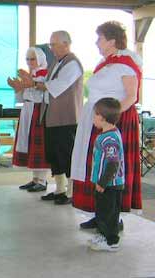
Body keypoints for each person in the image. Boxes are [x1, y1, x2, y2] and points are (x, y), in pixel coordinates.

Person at [71, 21, 142, 229]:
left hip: (112, 121)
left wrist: (109, 118)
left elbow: (131, 96)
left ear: (112, 40)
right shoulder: (105, 63)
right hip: (97, 120)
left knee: (109, 168)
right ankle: (99, 213)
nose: (96, 42)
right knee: (96, 165)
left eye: (100, 38)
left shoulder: (126, 63)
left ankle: (112, 217)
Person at [18, 31, 83, 205]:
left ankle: (71, 192)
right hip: (51, 115)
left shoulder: (72, 64)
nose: (51, 48)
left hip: (66, 117)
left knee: (66, 153)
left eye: (54, 44)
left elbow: (58, 86)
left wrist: (32, 83)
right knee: (54, 154)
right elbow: (47, 85)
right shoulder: (57, 63)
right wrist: (30, 82)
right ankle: (60, 189)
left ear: (66, 44)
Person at [7, 47, 50, 192]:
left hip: (38, 110)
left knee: (39, 146)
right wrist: (17, 88)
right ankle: (35, 178)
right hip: (27, 109)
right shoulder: (31, 75)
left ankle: (42, 180)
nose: (30, 62)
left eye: (33, 59)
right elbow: (21, 97)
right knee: (30, 144)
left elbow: (42, 95)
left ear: (40, 59)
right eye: (28, 59)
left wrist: (30, 82)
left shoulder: (44, 75)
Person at [87, 98, 124, 252]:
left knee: (108, 214)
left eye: (94, 115)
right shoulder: (108, 134)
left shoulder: (109, 138)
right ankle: (103, 234)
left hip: (109, 184)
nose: (93, 118)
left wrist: (102, 183)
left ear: (102, 117)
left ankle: (111, 241)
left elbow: (113, 163)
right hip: (106, 183)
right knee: (103, 211)